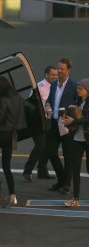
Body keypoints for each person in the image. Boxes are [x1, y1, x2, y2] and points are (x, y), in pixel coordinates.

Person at [0, 76, 34, 207]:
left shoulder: (3, 99)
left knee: (5, 166)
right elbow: (31, 107)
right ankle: (13, 195)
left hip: (1, 134)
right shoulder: (17, 97)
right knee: (6, 165)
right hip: (12, 135)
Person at [45, 58, 78, 193]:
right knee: (50, 151)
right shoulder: (53, 85)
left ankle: (66, 185)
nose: (59, 71)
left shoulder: (74, 86)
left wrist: (73, 118)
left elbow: (79, 105)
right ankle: (62, 179)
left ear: (68, 70)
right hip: (54, 123)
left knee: (68, 155)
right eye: (58, 68)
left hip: (67, 125)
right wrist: (47, 105)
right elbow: (49, 100)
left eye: (62, 69)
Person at [23, 65, 58, 182]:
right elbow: (29, 105)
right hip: (38, 122)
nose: (55, 77)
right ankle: (27, 171)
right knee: (40, 146)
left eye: (56, 75)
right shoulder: (40, 87)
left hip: (50, 121)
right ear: (46, 75)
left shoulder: (56, 87)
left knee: (47, 146)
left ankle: (42, 171)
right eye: (52, 74)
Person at [62, 78, 89, 207]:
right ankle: (75, 198)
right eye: (78, 88)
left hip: (87, 139)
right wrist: (66, 119)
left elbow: (87, 120)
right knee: (75, 168)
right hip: (78, 138)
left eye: (81, 88)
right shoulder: (78, 102)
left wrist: (73, 121)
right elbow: (76, 117)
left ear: (87, 90)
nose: (78, 90)